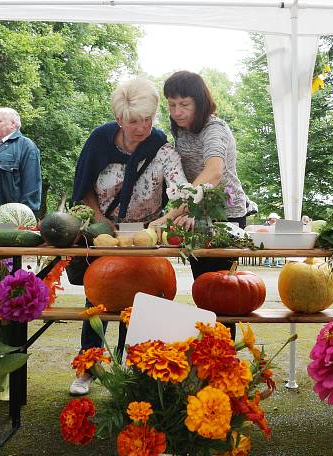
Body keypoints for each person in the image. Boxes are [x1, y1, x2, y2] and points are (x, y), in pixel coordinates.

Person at [68, 77, 188, 396]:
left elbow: (182, 194)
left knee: (144, 301)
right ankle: (88, 365)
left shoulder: (161, 147)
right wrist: (100, 222)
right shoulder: (99, 141)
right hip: (105, 231)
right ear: (119, 119)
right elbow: (84, 189)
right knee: (99, 296)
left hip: (147, 235)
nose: (143, 127)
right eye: (134, 121)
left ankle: (138, 370)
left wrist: (160, 223)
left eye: (148, 119)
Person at [163, 70, 249, 278]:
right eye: (172, 104)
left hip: (226, 214)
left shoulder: (214, 129)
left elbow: (214, 171)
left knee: (220, 284)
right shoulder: (181, 128)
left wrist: (173, 213)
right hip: (199, 211)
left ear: (200, 103)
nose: (177, 112)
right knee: (202, 282)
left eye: (184, 104)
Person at [0, 107, 42, 219]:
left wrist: (25, 219)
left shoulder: (26, 146)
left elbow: (32, 186)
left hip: (10, 221)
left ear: (13, 124)